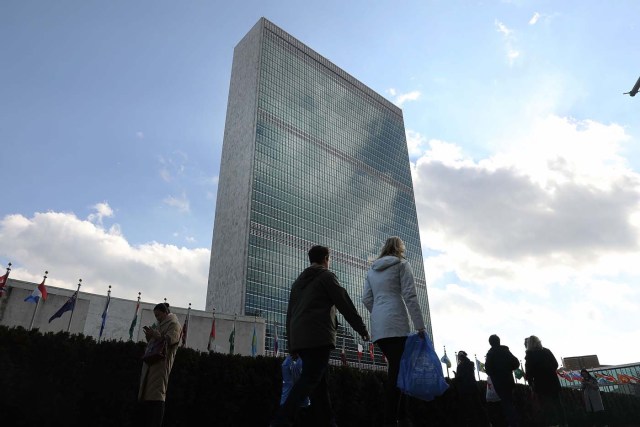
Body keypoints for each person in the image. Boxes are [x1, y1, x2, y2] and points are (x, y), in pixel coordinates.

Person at [271, 245, 370, 427]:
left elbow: (289, 313)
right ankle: (281, 421)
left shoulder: (298, 282)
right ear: (326, 258)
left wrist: (291, 345)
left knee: (320, 386)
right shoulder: (326, 276)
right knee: (310, 379)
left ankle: (328, 422)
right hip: (318, 336)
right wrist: (362, 329)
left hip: (300, 337)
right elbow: (344, 303)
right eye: (329, 259)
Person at [362, 236, 426, 427]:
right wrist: (420, 326)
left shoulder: (372, 270)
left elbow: (366, 299)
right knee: (397, 371)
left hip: (380, 327)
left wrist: (380, 314)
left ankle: (403, 416)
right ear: (400, 248)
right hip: (397, 323)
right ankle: (391, 419)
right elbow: (410, 295)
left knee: (398, 369)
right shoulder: (401, 264)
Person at [136, 302, 182, 427]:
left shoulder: (174, 324)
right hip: (151, 364)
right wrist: (149, 337)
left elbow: (171, 340)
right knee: (149, 399)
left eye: (159, 315)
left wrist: (157, 336)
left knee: (157, 397)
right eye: (155, 316)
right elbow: (153, 344)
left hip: (161, 364)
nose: (157, 318)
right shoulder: (159, 325)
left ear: (166, 313)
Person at [524, 335, 566, 427]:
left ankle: (552, 423)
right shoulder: (546, 351)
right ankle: (563, 423)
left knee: (545, 405)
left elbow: (529, 371)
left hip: (540, 383)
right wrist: (550, 370)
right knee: (558, 404)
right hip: (552, 380)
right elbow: (555, 364)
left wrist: (531, 383)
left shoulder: (530, 355)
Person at [485, 334, 520, 427]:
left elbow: (487, 369)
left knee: (507, 404)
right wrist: (508, 369)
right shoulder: (505, 351)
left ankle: (512, 424)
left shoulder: (490, 354)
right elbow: (516, 363)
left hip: (499, 383)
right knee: (510, 403)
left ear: (490, 343)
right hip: (509, 380)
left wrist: (495, 374)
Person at [455, 351, 489, 427]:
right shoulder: (470, 363)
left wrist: (456, 376)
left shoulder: (460, 366)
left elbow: (459, 378)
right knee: (479, 406)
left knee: (470, 408)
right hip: (473, 388)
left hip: (465, 390)